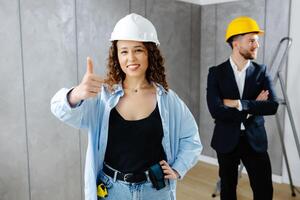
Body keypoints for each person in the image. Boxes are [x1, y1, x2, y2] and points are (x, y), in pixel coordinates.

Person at [51, 13, 202, 200]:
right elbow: (59, 108)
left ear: (150, 53)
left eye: (138, 50)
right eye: (124, 51)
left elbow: (191, 139)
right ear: (117, 56)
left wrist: (178, 168)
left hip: (155, 191)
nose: (131, 57)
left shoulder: (168, 99)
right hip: (111, 190)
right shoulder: (102, 97)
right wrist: (76, 94)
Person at [206, 16, 279, 200]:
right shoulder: (216, 73)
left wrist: (239, 104)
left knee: (264, 192)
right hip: (226, 140)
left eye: (257, 41)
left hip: (255, 141)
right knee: (228, 191)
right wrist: (255, 105)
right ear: (236, 44)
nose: (257, 45)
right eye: (252, 40)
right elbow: (215, 110)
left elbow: (272, 106)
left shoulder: (261, 71)